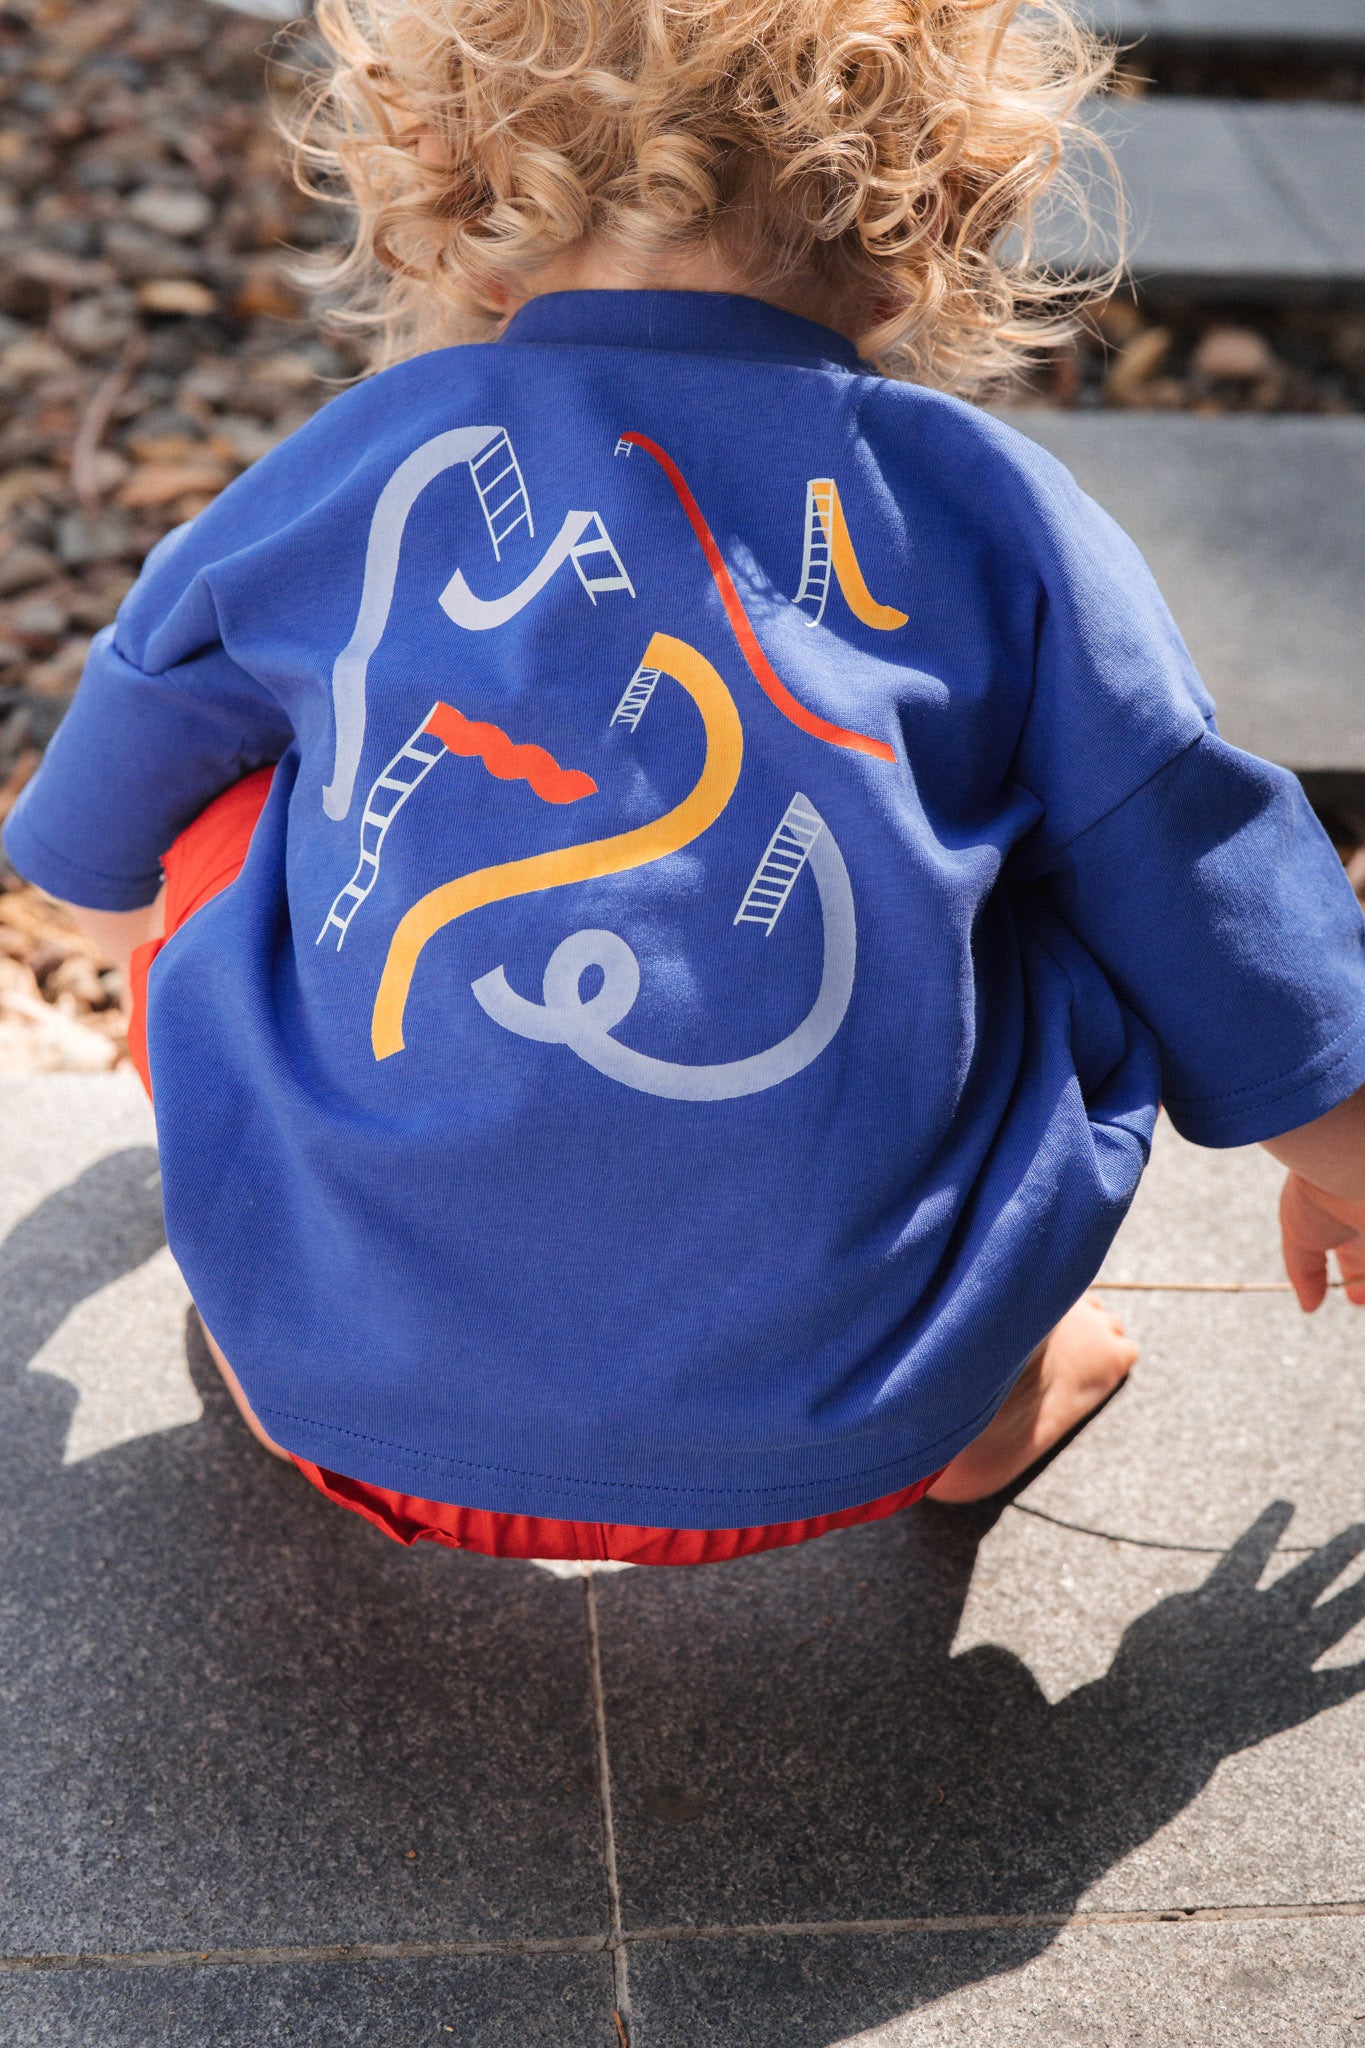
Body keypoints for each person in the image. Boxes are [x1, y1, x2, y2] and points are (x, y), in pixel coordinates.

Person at [8, 0, 1365, 1566]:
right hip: (860, 1425)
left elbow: (98, 829)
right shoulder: (990, 514)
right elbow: (1213, 888)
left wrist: (209, 1035)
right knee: (1064, 858)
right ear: (926, 223)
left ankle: (301, 1289)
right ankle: (1000, 1396)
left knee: (222, 828)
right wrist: (1342, 1159)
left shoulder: (362, 459)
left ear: (455, 190)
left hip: (346, 1417)